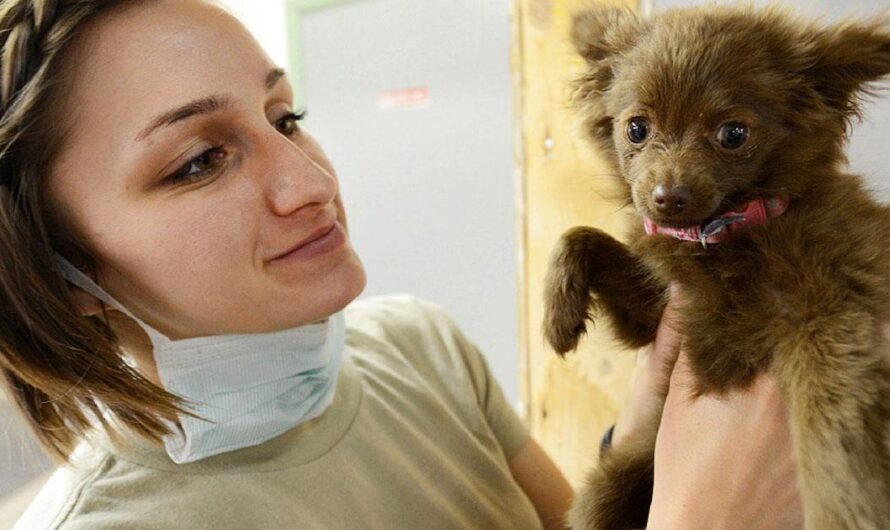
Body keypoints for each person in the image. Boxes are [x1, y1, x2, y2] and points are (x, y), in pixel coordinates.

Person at [0, 0, 801, 528]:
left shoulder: (421, 347)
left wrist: (638, 449)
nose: (311, 183)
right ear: (60, 276)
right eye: (200, 161)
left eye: (287, 117)